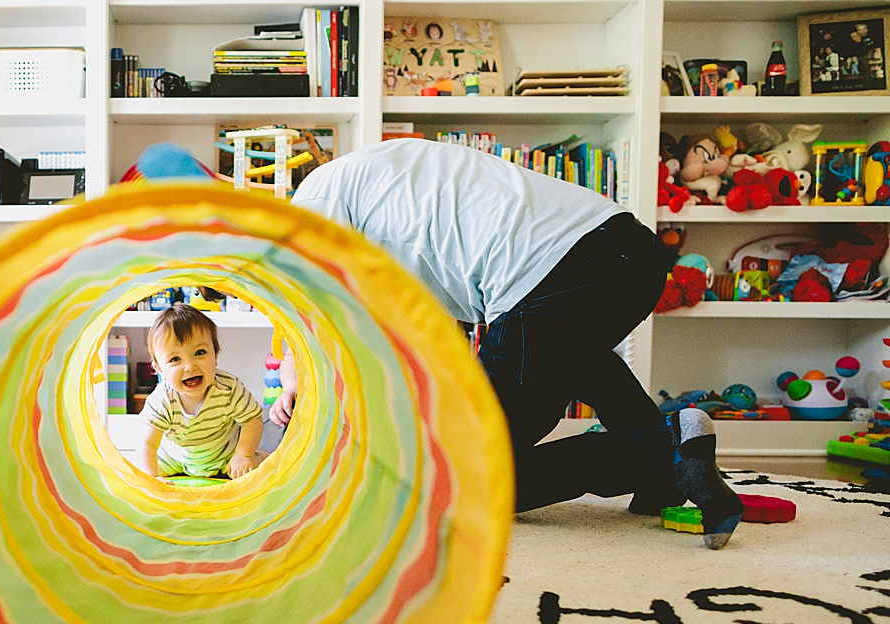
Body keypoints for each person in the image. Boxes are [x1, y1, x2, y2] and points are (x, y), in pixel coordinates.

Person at [281, 137, 744, 548]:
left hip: (548, 273)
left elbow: (314, 306)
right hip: (633, 253)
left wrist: (293, 374)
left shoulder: (314, 198)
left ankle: (661, 451)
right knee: (569, 350)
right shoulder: (387, 178)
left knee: (475, 476)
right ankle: (669, 465)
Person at [139, 303, 265, 480]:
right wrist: (153, 478)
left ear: (216, 356)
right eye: (175, 359)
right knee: (140, 473)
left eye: (200, 352)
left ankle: (263, 455)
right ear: (159, 369)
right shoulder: (162, 400)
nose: (190, 366)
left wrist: (243, 454)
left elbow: (252, 419)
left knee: (262, 467)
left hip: (225, 457)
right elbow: (148, 444)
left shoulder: (228, 388)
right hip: (175, 460)